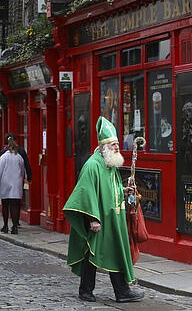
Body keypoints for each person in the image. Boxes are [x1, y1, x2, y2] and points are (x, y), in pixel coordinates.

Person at [63, 116, 144, 303]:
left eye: (117, 144)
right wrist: (93, 219)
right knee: (92, 254)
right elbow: (85, 193)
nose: (117, 147)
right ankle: (86, 291)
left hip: (113, 218)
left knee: (115, 253)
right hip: (98, 220)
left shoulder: (110, 164)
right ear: (103, 146)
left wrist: (123, 191)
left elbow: (109, 190)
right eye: (113, 144)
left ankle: (122, 292)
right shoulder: (92, 166)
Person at [0, 135, 26, 234]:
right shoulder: (19, 157)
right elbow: (22, 171)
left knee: (5, 205)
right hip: (16, 183)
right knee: (15, 206)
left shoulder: (3, 157)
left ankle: (5, 226)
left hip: (5, 183)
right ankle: (15, 227)